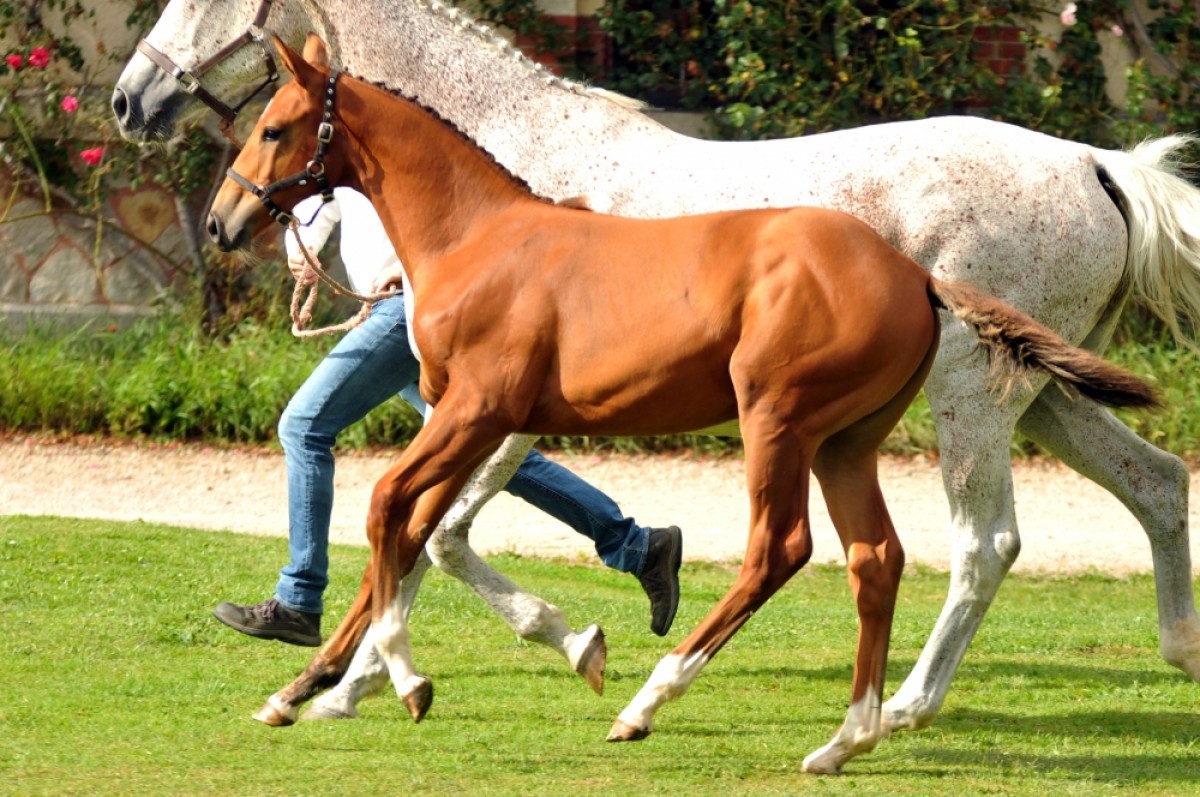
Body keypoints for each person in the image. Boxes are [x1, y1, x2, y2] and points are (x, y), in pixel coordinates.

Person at [213, 187, 682, 646]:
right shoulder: (340, 136)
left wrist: (409, 271)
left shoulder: (394, 122)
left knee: (303, 426)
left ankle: (298, 599)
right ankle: (636, 546)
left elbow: (446, 206)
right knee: (478, 446)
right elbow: (325, 202)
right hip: (391, 306)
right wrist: (306, 247)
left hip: (406, 308)